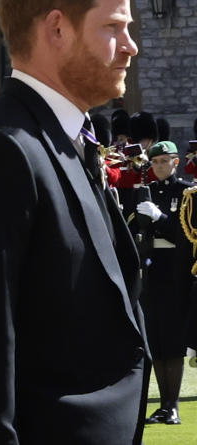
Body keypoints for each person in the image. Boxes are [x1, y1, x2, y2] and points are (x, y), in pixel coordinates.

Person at [0, 0, 149, 443]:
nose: (131, 45)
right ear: (58, 27)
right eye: (113, 27)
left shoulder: (61, 137)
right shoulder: (1, 148)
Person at [133, 141, 193, 425]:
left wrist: (160, 217)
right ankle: (163, 406)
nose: (159, 167)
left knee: (172, 341)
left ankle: (173, 404)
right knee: (156, 341)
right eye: (155, 162)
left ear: (175, 162)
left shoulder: (186, 193)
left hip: (174, 271)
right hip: (152, 271)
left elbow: (185, 236)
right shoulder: (145, 192)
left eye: (164, 161)